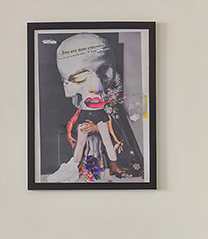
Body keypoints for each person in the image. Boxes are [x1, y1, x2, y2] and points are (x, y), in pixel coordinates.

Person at [44, 32, 146, 183]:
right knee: (81, 144)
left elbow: (112, 132)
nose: (96, 87)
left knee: (106, 140)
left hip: (99, 117)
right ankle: (72, 168)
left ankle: (113, 165)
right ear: (66, 87)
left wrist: (98, 127)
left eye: (105, 71)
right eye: (80, 77)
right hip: (88, 116)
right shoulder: (78, 115)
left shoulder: (108, 103)